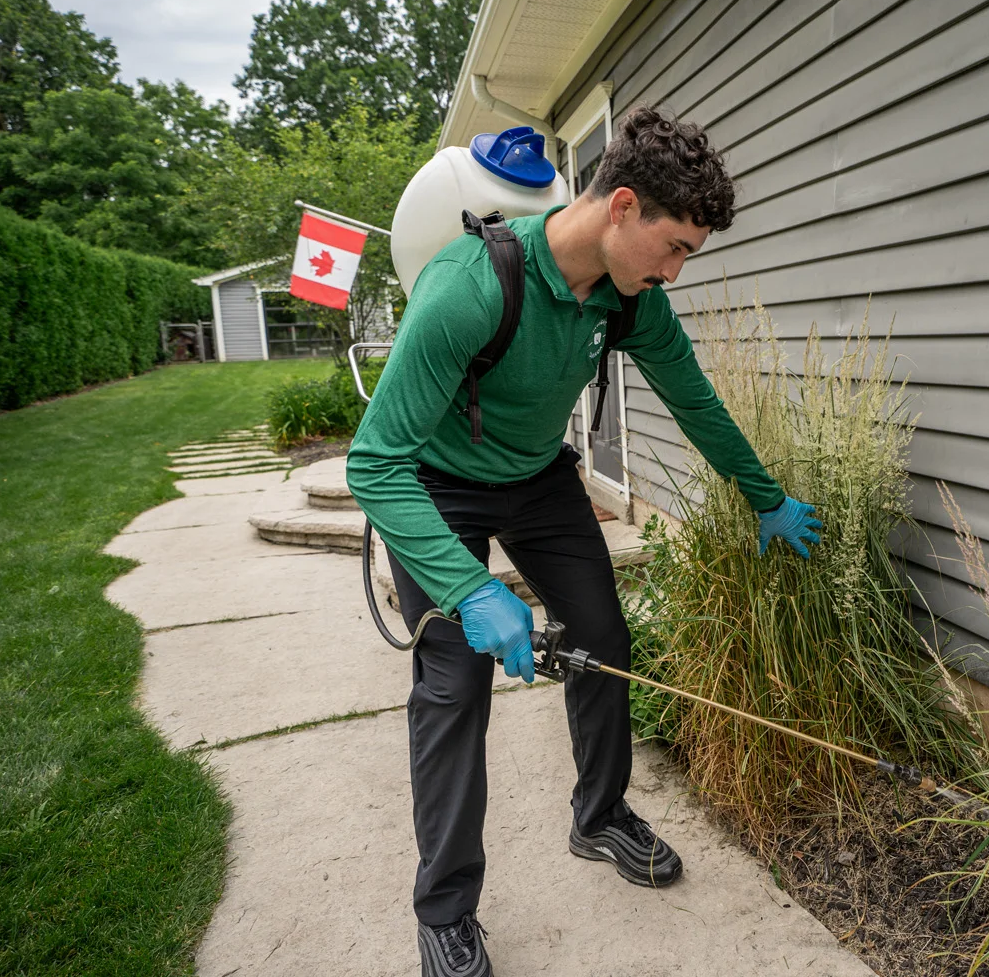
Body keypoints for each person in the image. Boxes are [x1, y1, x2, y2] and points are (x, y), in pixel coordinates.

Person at [347, 104, 823, 977]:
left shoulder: (628, 297)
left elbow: (693, 400)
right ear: (624, 206)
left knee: (604, 639)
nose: (675, 272)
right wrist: (472, 590)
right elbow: (375, 465)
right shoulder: (471, 287)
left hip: (535, 479)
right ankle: (446, 910)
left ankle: (599, 816)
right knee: (455, 685)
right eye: (675, 246)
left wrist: (766, 500)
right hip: (437, 485)